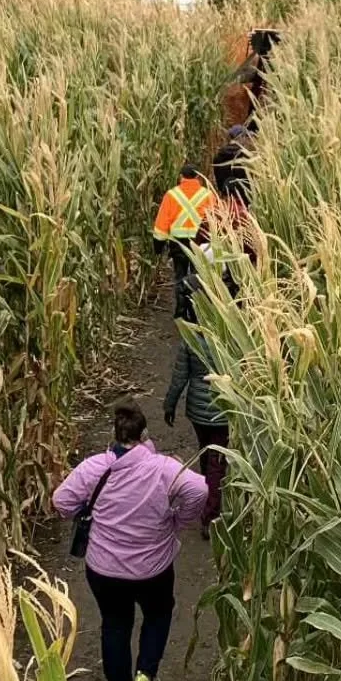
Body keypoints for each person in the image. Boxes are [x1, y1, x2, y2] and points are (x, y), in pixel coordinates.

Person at [52, 404, 206, 681]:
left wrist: (86, 512)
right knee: (158, 615)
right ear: (145, 434)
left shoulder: (94, 468)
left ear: (115, 434)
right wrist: (179, 521)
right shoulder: (163, 468)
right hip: (153, 569)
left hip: (104, 569)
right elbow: (199, 490)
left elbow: (61, 501)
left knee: (115, 624)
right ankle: (144, 676)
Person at [165, 318, 229, 538]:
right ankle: (210, 516)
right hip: (223, 410)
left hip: (197, 410)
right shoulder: (231, 337)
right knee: (217, 463)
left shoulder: (191, 339)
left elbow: (179, 376)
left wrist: (170, 405)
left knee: (206, 453)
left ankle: (206, 500)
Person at [155, 165, 217, 316]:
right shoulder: (208, 195)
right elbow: (216, 220)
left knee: (180, 276)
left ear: (181, 177)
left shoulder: (171, 195)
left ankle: (181, 311)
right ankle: (196, 311)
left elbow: (162, 221)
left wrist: (158, 243)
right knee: (198, 277)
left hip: (178, 242)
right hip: (200, 242)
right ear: (198, 177)